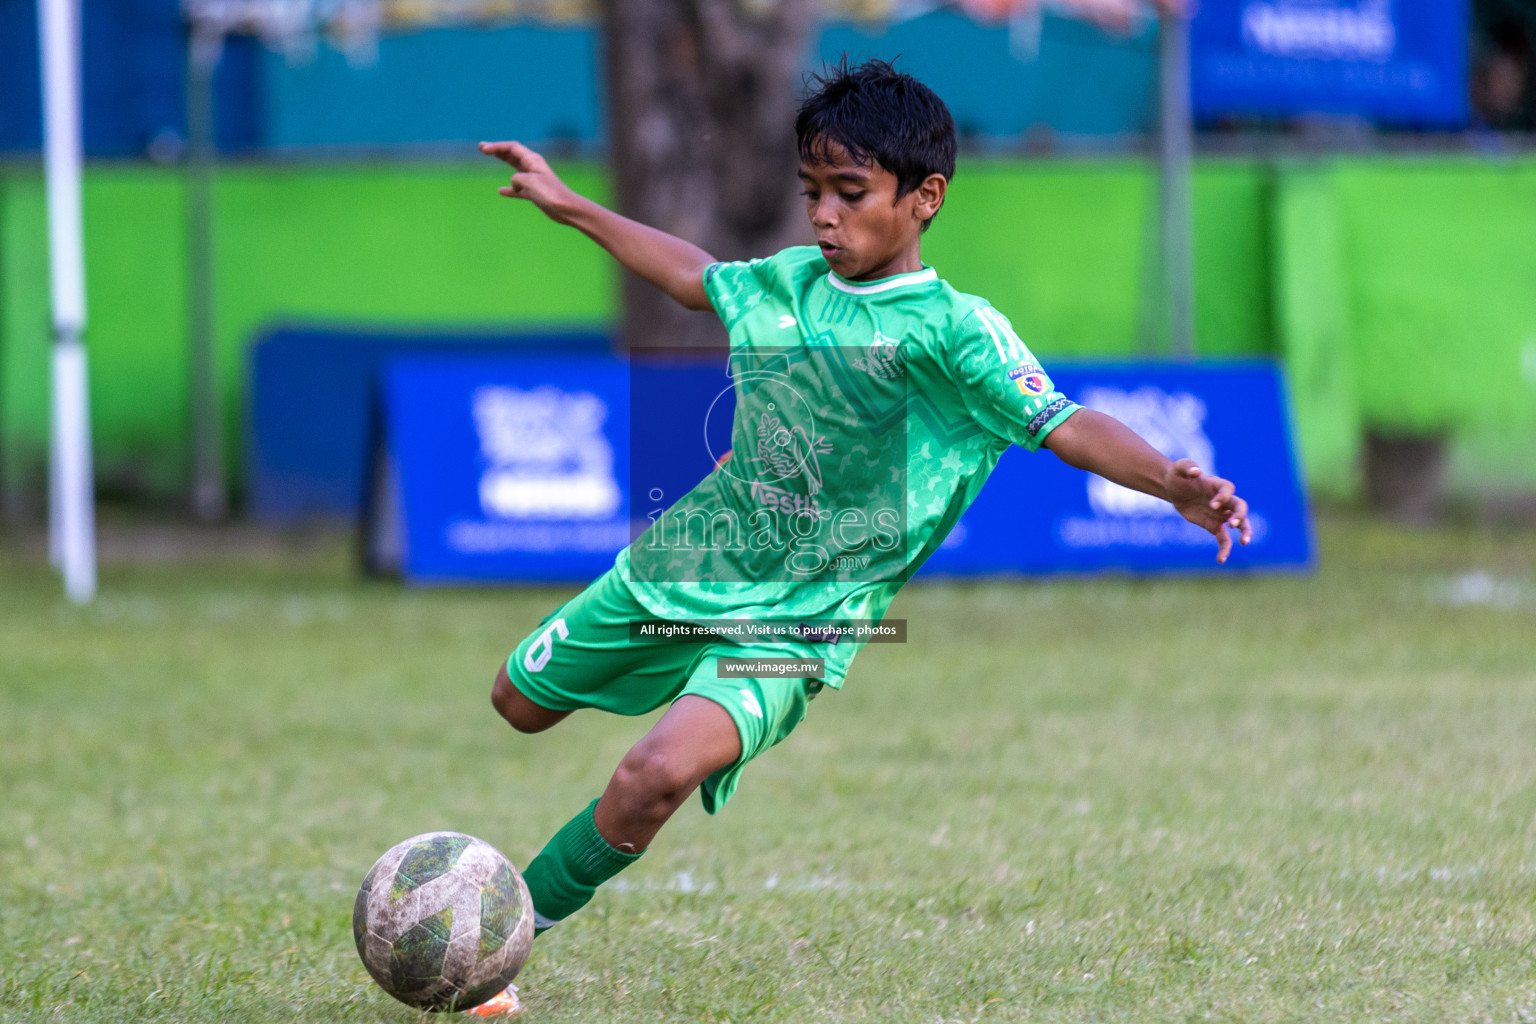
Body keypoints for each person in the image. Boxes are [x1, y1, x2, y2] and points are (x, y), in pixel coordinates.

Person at [467, 58, 1250, 1017]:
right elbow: (692, 276)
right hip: (687, 566)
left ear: (925, 198)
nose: (823, 217)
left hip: (801, 620)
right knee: (516, 702)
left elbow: (1067, 423)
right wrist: (569, 204)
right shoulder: (789, 282)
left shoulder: (956, 331)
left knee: (653, 773)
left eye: (849, 193)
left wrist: (1170, 480)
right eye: (811, 194)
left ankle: (498, 943)